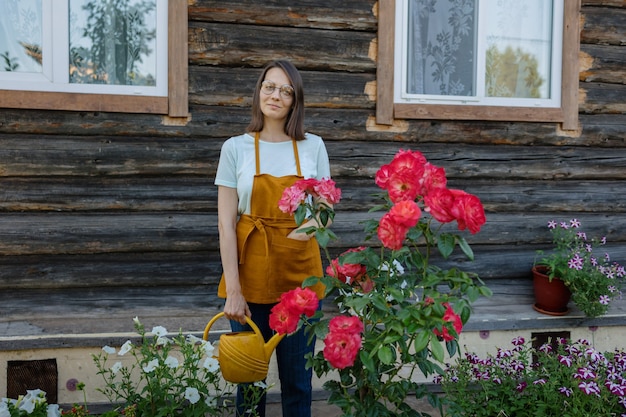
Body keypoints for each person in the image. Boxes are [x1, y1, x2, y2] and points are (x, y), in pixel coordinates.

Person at [214, 60, 331, 417]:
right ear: (259, 91)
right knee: (250, 385)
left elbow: (325, 211)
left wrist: (300, 232)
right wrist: (233, 290)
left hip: (300, 279)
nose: (276, 95)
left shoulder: (313, 146)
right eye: (270, 86)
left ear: (295, 101)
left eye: (286, 90)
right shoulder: (235, 147)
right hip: (250, 277)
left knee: (298, 383)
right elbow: (225, 223)